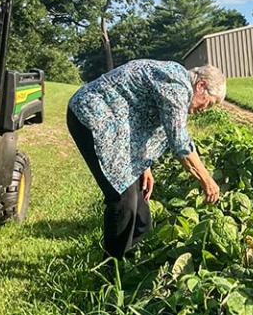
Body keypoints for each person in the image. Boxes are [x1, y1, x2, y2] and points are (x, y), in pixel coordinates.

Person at [67, 60, 225, 259]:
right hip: (91, 117)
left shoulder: (175, 78)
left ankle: (137, 261)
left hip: (115, 126)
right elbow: (180, 141)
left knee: (139, 200)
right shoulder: (177, 85)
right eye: (208, 103)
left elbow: (141, 118)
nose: (205, 109)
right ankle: (113, 269)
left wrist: (144, 165)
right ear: (201, 86)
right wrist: (207, 180)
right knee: (122, 198)